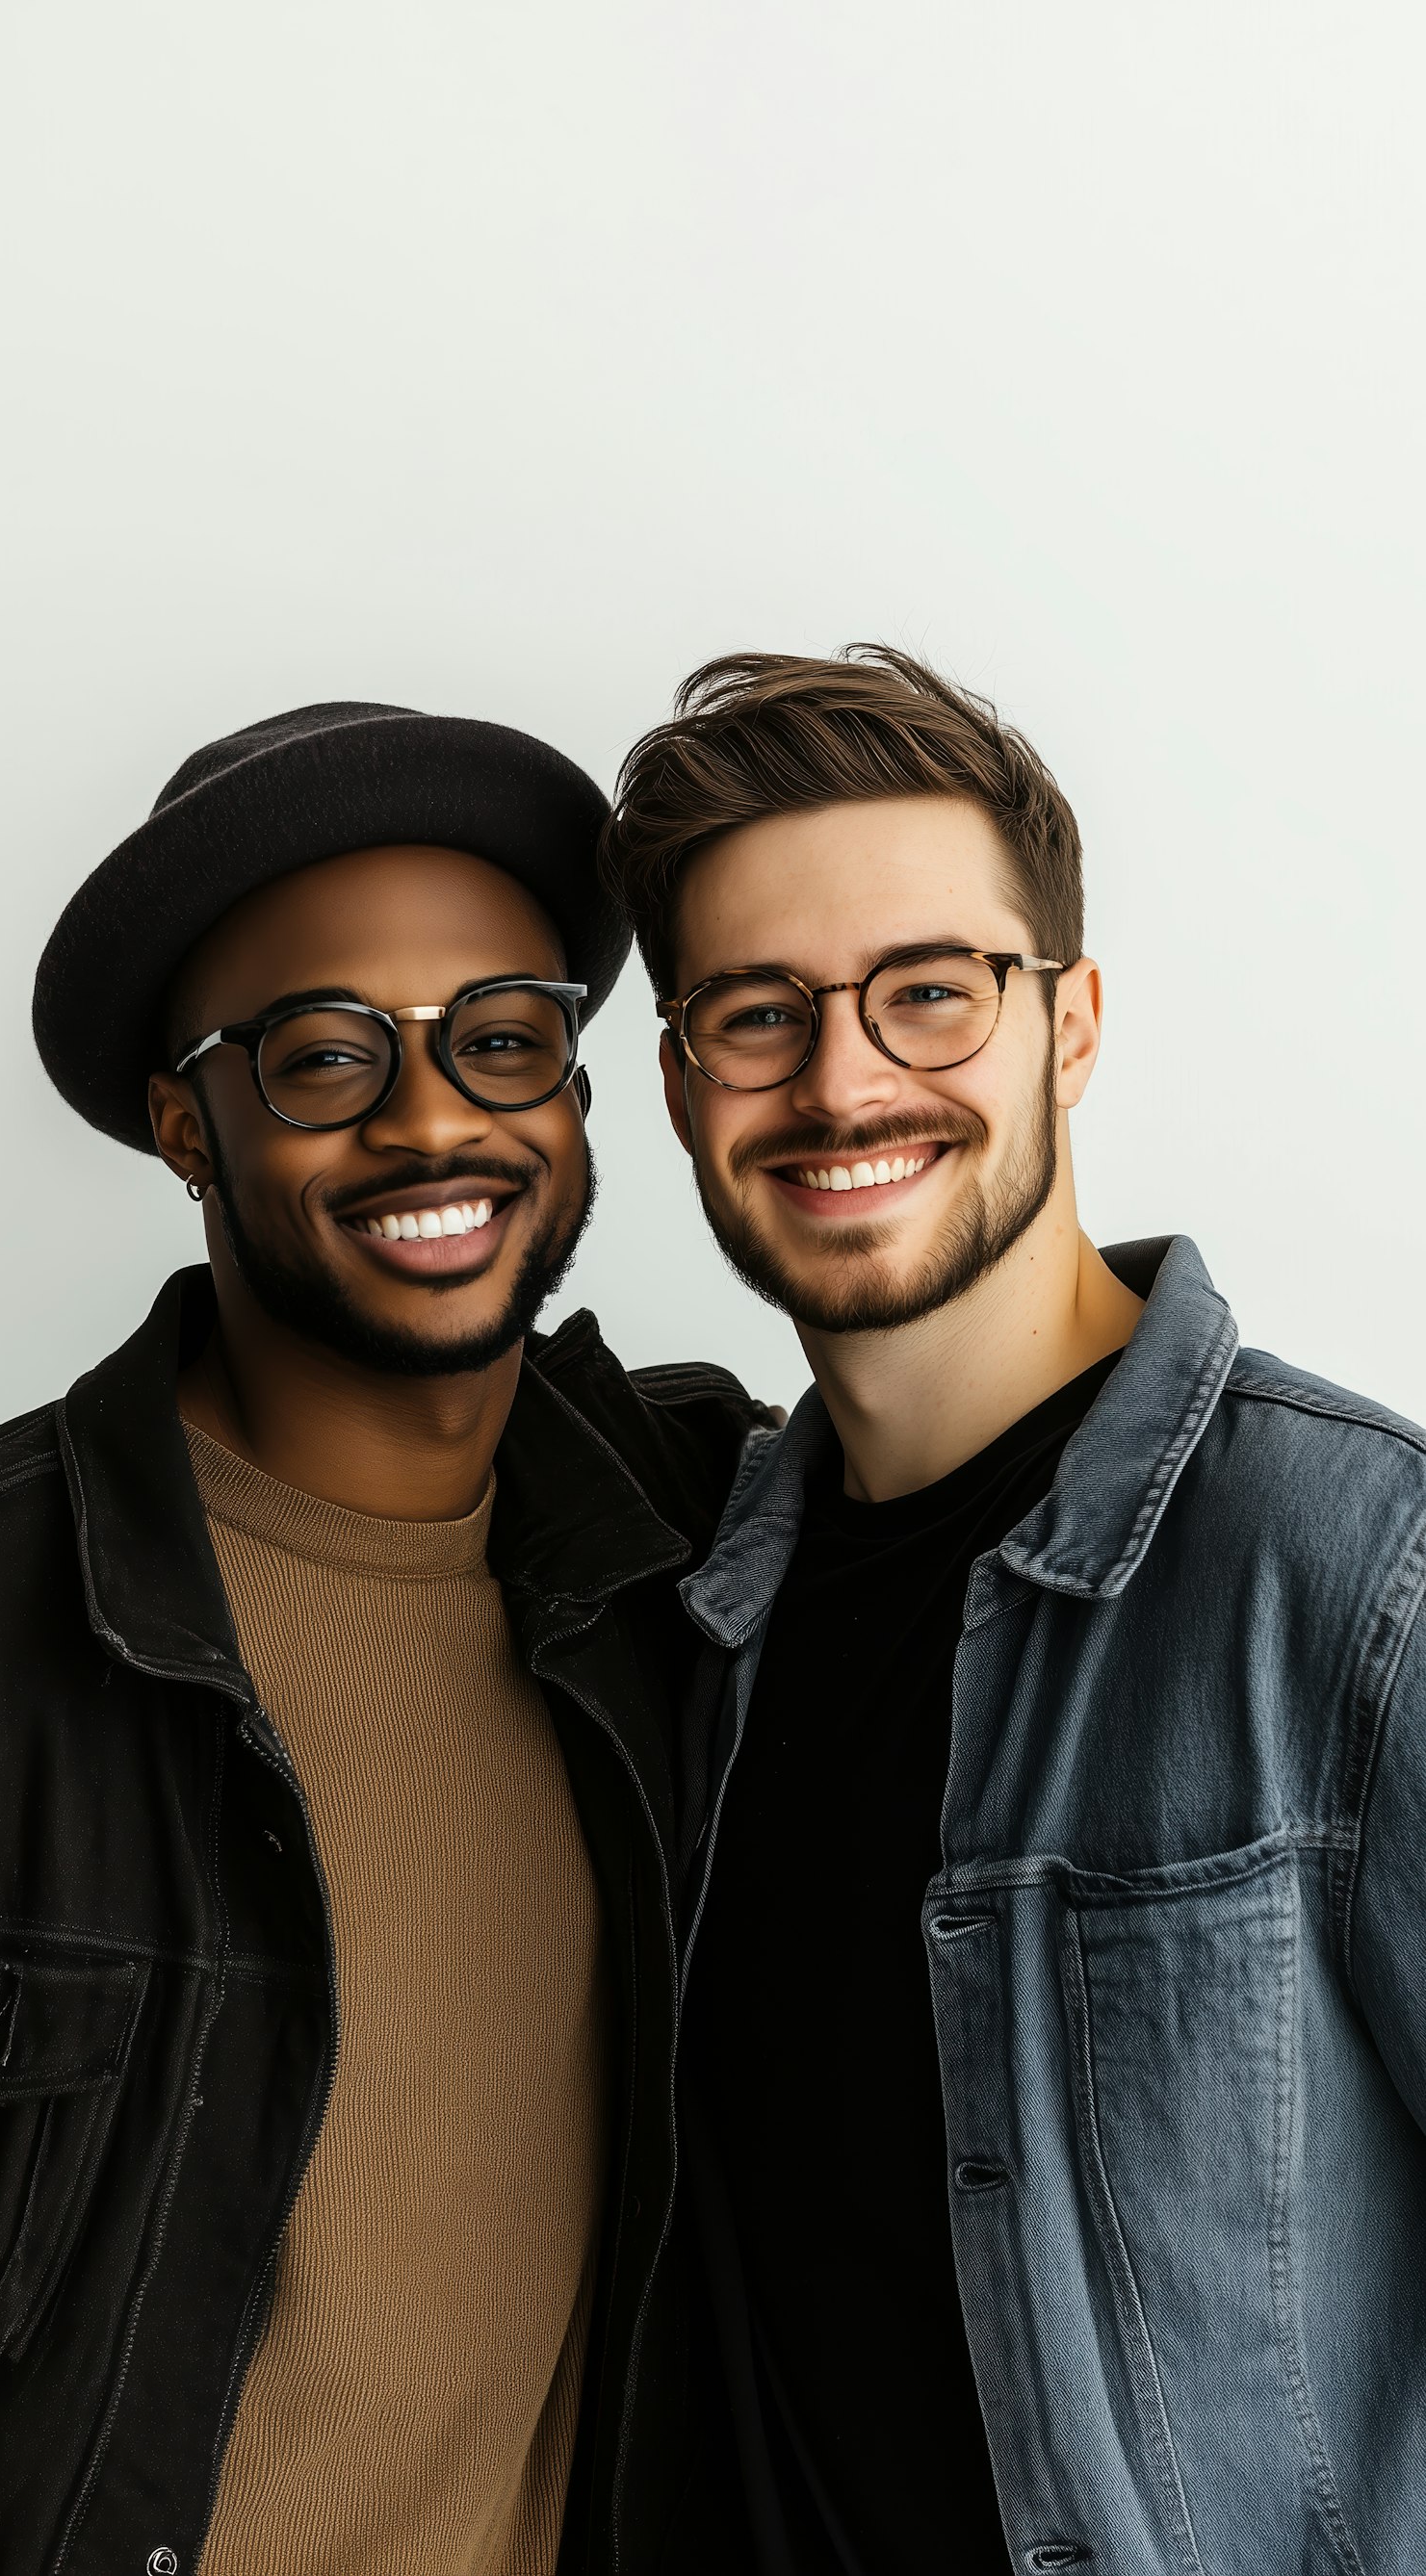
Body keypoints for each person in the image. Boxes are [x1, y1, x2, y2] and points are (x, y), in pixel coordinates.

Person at [598, 647, 1426, 2576]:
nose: (843, 1079)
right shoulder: (686, 1616)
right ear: (676, 1083)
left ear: (1072, 1022)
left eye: (930, 994)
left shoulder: (1352, 1562)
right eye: (756, 1014)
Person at [0, 700, 765, 2576]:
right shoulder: (8, 1624)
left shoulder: (698, 1558)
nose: (435, 1119)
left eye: (502, 1040)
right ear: (187, 1122)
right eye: (326, 1056)